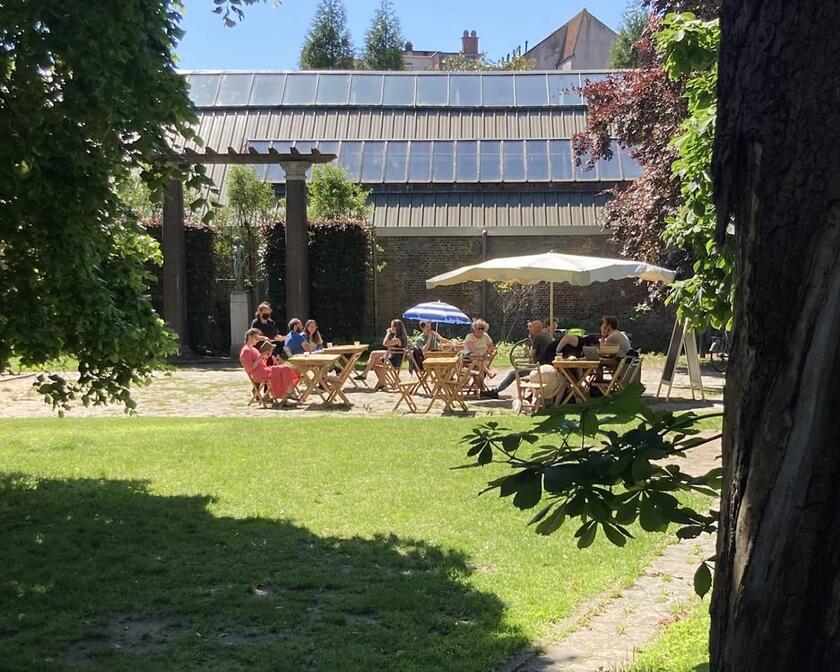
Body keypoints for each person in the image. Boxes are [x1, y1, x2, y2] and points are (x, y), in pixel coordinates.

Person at [481, 320, 554, 399]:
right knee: (518, 371)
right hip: (548, 366)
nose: (529, 329)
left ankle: (495, 391)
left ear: (535, 329)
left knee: (513, 373)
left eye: (530, 328)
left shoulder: (538, 338)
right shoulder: (547, 335)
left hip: (540, 369)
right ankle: (532, 394)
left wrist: (527, 352)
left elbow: (532, 356)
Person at [239, 328, 299, 405]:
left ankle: (286, 395)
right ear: (250, 337)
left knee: (286, 368)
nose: (258, 341)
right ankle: (289, 393)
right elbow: (249, 368)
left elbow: (261, 362)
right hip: (259, 373)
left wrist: (266, 356)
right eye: (256, 338)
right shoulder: (246, 350)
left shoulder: (253, 349)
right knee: (284, 368)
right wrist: (262, 356)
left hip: (264, 370)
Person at [555, 315, 632, 358]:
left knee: (595, 362)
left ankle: (596, 384)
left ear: (608, 326)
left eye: (603, 325)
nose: (601, 327)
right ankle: (596, 384)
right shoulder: (619, 333)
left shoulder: (612, 336)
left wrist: (603, 336)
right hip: (625, 361)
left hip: (621, 360)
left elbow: (602, 352)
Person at [372, 319, 409, 390]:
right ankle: (382, 383)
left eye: (392, 326)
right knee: (374, 361)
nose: (391, 328)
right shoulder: (399, 337)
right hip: (394, 358)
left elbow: (385, 343)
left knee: (374, 362)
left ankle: (382, 383)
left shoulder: (398, 339)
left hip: (394, 361)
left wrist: (388, 333)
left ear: (396, 328)